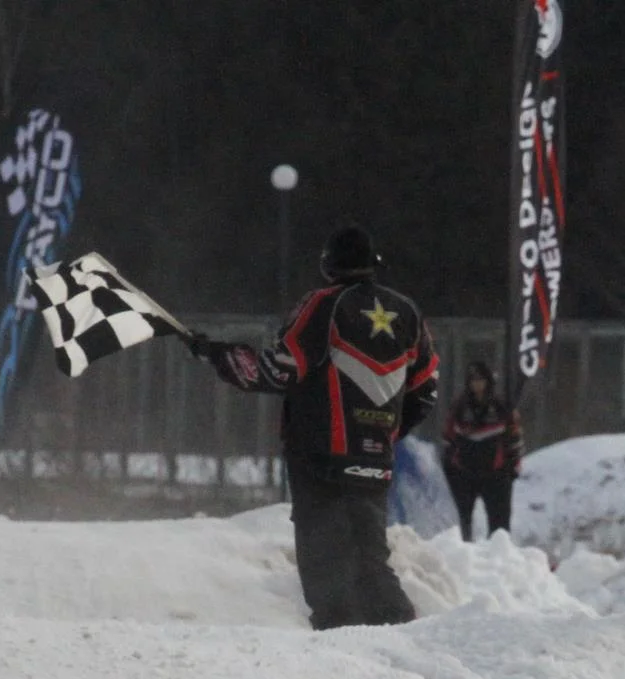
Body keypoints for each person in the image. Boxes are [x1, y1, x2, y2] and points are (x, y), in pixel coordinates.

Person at [188, 225, 440, 630]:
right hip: (375, 457)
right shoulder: (407, 311)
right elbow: (426, 388)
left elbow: (277, 371)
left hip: (320, 457)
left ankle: (340, 647)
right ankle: (400, 636)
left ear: (328, 264)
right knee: (372, 559)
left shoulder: (323, 305)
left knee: (324, 563)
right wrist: (386, 432)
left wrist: (219, 355)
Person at [440, 360, 523, 541]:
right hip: (465, 473)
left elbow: (514, 437)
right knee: (462, 524)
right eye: (473, 380)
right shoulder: (459, 407)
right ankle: (464, 555)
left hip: (496, 473)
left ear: (488, 381)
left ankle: (499, 559)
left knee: (500, 528)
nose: (477, 384)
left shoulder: (502, 406)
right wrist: (451, 466)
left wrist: (513, 467)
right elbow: (448, 437)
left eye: (481, 380)